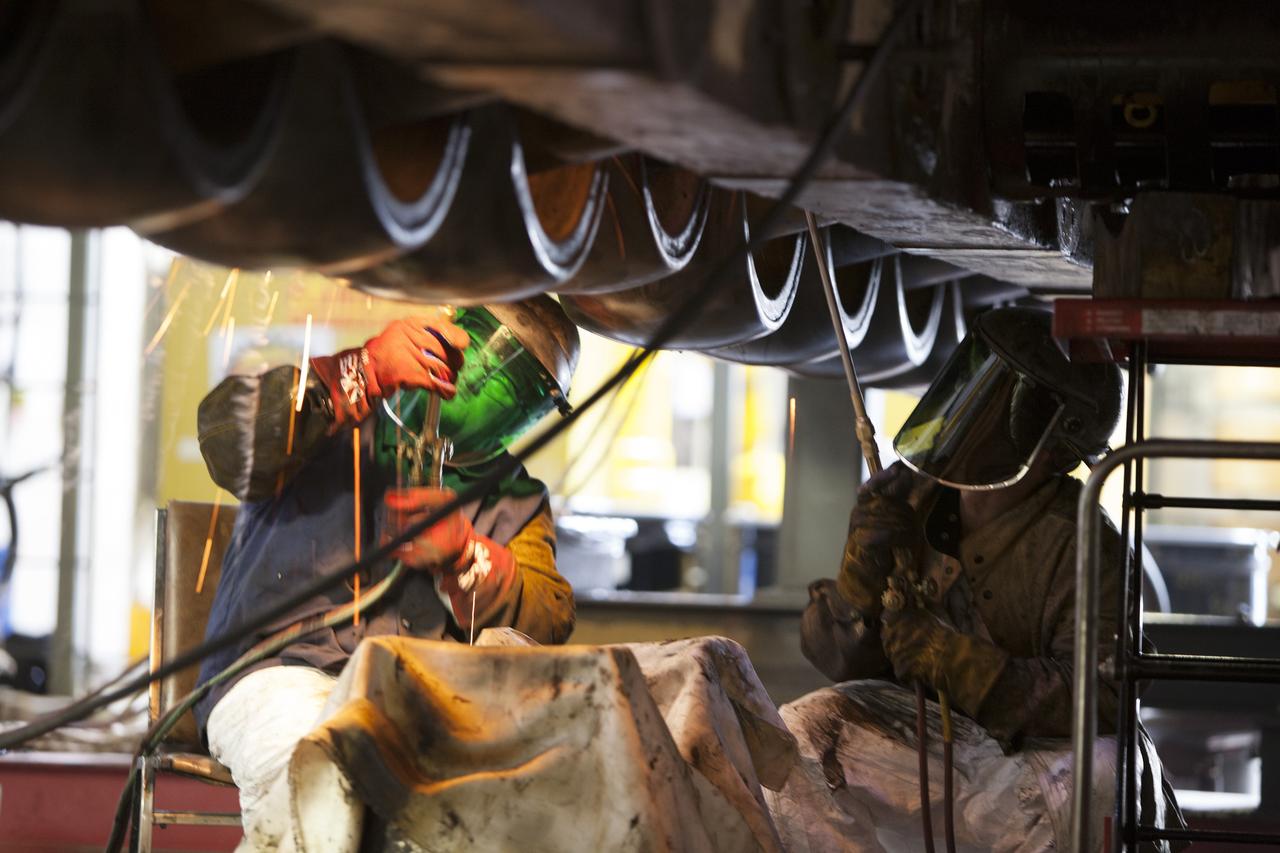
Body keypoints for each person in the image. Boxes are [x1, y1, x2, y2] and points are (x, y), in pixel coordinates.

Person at [772, 306, 1183, 852]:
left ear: (1057, 449)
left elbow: (1104, 699)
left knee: (1093, 778)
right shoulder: (907, 499)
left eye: (1003, 413)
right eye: (971, 393)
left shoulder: (1086, 544)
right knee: (807, 733)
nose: (971, 425)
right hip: (946, 751)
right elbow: (837, 661)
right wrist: (858, 587)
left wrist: (959, 664)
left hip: (1035, 762)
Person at [191, 296, 579, 844]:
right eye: (481, 369)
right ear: (449, 340)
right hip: (277, 678)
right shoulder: (325, 418)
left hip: (416, 701)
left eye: (508, 392)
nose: (479, 394)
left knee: (481, 810)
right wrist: (361, 372)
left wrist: (465, 555)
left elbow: (546, 617)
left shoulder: (514, 497)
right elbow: (226, 439)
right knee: (327, 776)